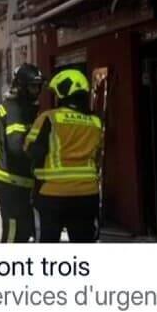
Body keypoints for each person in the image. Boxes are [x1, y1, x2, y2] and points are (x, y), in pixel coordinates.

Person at [25, 69, 104, 243]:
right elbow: (98, 154)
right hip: (87, 194)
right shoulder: (96, 122)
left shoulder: (49, 118)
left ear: (62, 93)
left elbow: (31, 150)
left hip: (52, 194)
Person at [0, 63, 43, 242]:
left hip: (19, 179)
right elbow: (16, 147)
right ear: (21, 85)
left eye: (38, 86)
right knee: (14, 229)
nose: (36, 91)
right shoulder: (15, 109)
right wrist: (40, 155)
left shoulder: (17, 105)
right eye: (32, 86)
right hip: (12, 179)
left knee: (25, 228)